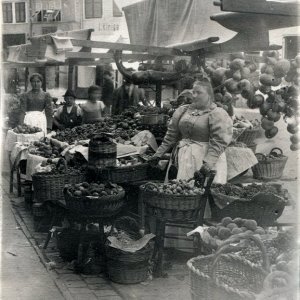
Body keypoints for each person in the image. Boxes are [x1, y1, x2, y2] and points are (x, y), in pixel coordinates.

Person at [150, 79, 233, 183]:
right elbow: (171, 135)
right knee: (183, 190)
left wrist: (208, 164)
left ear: (209, 95)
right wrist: (158, 154)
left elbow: (219, 142)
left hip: (205, 158)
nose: (194, 95)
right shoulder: (182, 110)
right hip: (184, 157)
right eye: (193, 92)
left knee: (203, 192)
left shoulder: (217, 114)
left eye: (199, 92)